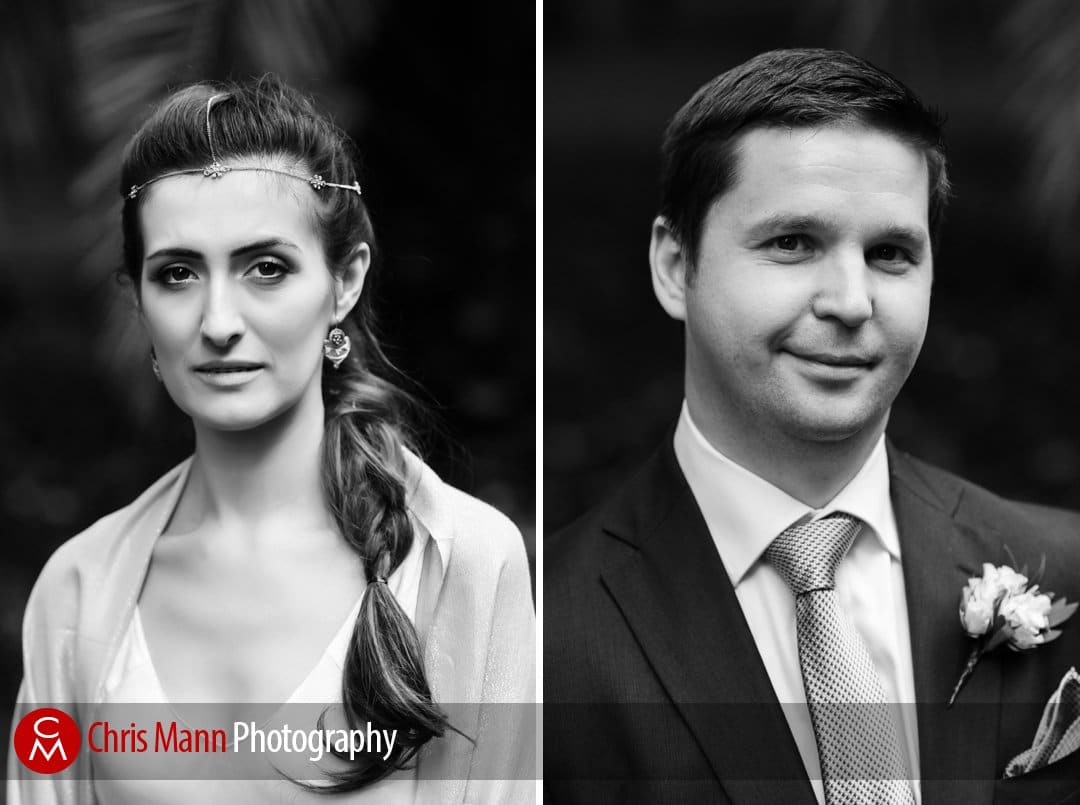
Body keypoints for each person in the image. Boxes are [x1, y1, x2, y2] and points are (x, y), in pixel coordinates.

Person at [545, 48, 1080, 805]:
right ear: (674, 265)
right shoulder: (539, 629)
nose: (851, 301)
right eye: (792, 243)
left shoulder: (1067, 571)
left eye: (890, 253)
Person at [8, 76, 534, 803]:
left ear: (345, 282)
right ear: (137, 301)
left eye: (266, 268)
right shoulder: (77, 592)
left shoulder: (460, 562)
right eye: (178, 273)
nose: (218, 321)